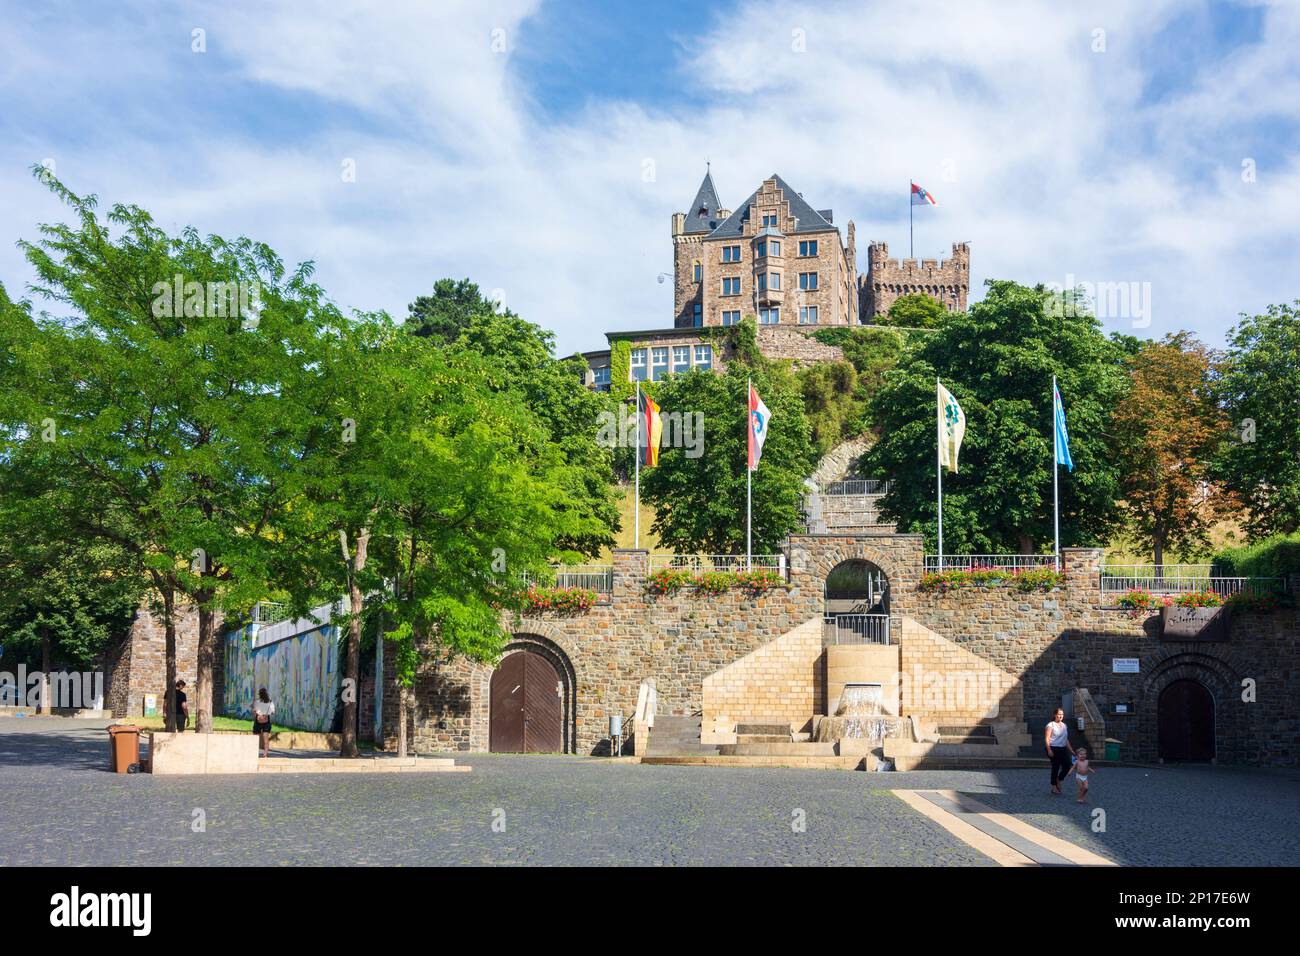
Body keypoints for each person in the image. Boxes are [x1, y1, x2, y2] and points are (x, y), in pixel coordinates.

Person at [1045, 706, 1075, 794]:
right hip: (1053, 748)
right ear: (1055, 715)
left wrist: (1071, 750)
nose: (1061, 716)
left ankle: (1059, 779)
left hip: (1063, 748)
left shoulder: (1064, 725)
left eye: (1062, 714)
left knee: (1067, 766)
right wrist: (1049, 750)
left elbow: (1066, 739)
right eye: (1059, 714)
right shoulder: (1050, 725)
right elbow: (1047, 738)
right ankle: (1054, 786)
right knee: (1055, 767)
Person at [252, 688, 275, 758]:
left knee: (255, 739)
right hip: (266, 721)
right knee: (266, 739)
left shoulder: (257, 701)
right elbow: (273, 712)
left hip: (258, 721)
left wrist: (259, 714)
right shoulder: (270, 702)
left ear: (259, 694)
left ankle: (254, 754)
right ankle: (265, 755)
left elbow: (254, 711)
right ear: (266, 693)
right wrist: (266, 714)